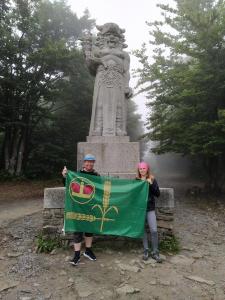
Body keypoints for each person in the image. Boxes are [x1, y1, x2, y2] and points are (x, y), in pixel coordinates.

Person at [82, 23, 132, 136]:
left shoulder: (124, 55)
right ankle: (98, 127)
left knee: (119, 104)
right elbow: (90, 67)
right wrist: (90, 56)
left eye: (115, 35)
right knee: (100, 103)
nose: (112, 37)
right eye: (109, 34)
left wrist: (127, 86)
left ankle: (118, 128)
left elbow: (126, 71)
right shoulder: (97, 52)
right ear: (103, 37)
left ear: (120, 39)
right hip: (102, 78)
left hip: (118, 80)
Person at [62, 154, 100, 266]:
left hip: (90, 207)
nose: (89, 164)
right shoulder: (77, 175)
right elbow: (68, 185)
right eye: (87, 162)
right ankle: (77, 255)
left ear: (93, 163)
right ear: (84, 163)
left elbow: (100, 190)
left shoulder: (96, 175)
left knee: (89, 230)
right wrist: (65, 176)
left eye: (91, 162)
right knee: (77, 231)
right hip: (78, 207)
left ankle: (88, 251)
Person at [136, 162, 162, 263]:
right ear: (138, 170)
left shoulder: (152, 179)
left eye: (144, 168)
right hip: (140, 209)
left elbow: (158, 194)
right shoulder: (136, 181)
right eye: (140, 168)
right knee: (143, 230)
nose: (142, 170)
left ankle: (155, 252)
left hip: (150, 208)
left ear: (147, 169)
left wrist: (150, 184)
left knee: (154, 230)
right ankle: (146, 250)